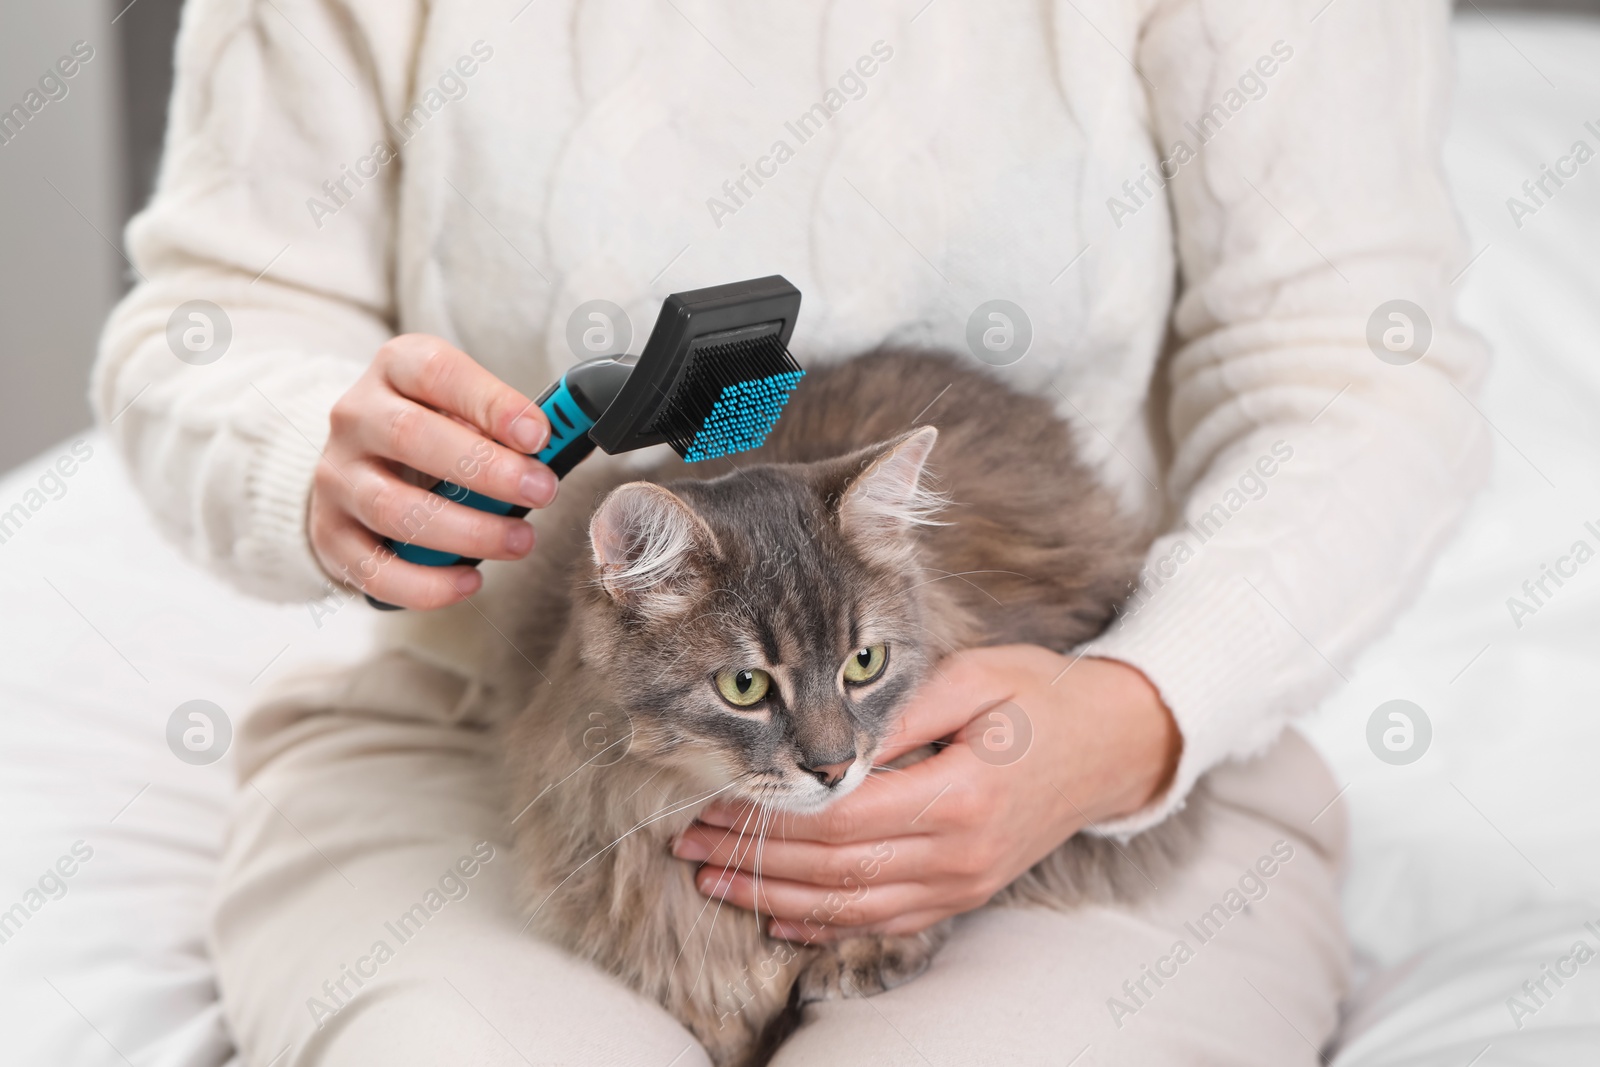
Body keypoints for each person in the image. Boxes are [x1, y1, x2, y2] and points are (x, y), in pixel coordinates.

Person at [94, 1, 1488, 1063]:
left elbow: (1357, 377)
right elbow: (211, 321)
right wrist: (310, 452)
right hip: (494, 744)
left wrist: (1132, 718)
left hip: (1093, 752)